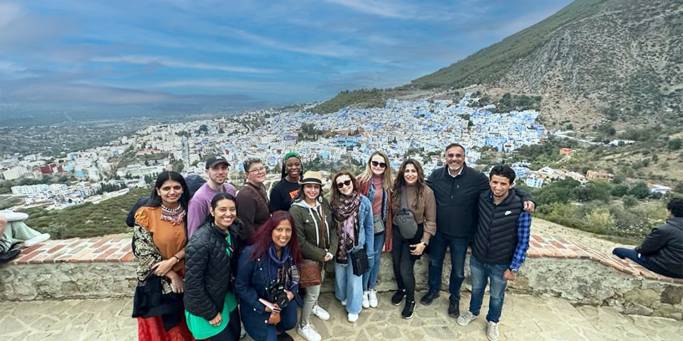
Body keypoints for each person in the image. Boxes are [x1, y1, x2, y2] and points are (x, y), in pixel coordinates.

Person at [422, 143, 534, 319]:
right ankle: (433, 290)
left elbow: (500, 186)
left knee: (458, 271)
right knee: (434, 263)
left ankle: (454, 298)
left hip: (462, 234)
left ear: (464, 157)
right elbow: (422, 189)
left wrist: (526, 196)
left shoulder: (476, 177)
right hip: (439, 232)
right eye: (450, 155)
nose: (454, 159)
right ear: (445, 157)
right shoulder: (436, 175)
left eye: (458, 155)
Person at [456, 165, 532, 341]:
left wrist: (513, 268)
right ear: (489, 182)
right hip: (478, 256)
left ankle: (493, 321)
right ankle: (473, 312)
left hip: (501, 261)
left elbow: (523, 241)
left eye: (503, 184)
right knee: (476, 289)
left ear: (511, 185)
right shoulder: (483, 197)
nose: (498, 187)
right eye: (495, 182)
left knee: (497, 295)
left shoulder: (521, 207)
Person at [131, 171, 193, 340]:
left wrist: (175, 259)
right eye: (166, 188)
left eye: (176, 187)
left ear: (183, 189)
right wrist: (172, 275)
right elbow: (143, 252)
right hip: (158, 280)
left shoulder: (191, 212)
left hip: (188, 275)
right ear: (158, 191)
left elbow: (197, 242)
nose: (172, 192)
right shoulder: (146, 214)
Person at [184, 193, 243, 340]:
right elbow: (192, 284)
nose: (228, 214)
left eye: (232, 209)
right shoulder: (200, 242)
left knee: (235, 334)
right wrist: (210, 312)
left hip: (225, 295)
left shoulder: (231, 231)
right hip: (207, 302)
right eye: (222, 209)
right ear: (212, 211)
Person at [235, 211, 302, 341]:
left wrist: (292, 293)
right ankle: (269, 331)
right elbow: (241, 286)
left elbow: (295, 275)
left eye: (288, 230)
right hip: (258, 304)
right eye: (279, 229)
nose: (284, 235)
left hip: (280, 300)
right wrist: (265, 308)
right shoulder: (252, 254)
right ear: (270, 230)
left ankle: (277, 330)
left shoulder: (290, 250)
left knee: (290, 321)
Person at [289, 171, 337, 341]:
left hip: (325, 256)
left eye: (316, 187)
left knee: (318, 285)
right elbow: (299, 241)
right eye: (309, 186)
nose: (312, 190)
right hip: (309, 259)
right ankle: (303, 325)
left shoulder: (322, 205)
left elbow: (332, 228)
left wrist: (331, 249)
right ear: (303, 188)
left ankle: (315, 307)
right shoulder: (296, 210)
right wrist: (322, 255)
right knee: (312, 293)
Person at [389, 159, 436, 319]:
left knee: (405, 268)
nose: (410, 174)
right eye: (407, 170)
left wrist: (424, 242)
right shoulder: (396, 189)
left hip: (416, 233)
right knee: (396, 263)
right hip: (397, 231)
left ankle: (410, 300)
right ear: (402, 172)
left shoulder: (426, 192)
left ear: (419, 173)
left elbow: (430, 220)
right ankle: (401, 289)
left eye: (413, 171)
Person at [329, 171, 374, 323]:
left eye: (347, 182)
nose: (344, 186)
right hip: (339, 247)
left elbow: (369, 227)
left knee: (355, 279)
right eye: (340, 184)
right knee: (340, 276)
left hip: (357, 246)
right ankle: (343, 297)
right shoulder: (334, 204)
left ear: (353, 182)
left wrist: (370, 250)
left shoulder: (364, 202)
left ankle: (354, 307)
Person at [356, 151, 393, 309]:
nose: (378, 166)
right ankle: (363, 290)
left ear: (386, 167)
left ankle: (371, 289)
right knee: (365, 257)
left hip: (380, 225)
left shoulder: (388, 184)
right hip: (363, 226)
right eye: (375, 163)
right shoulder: (360, 181)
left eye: (382, 164)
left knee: (375, 259)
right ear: (369, 163)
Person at [613, 197, 683, 279]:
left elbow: (644, 250)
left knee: (618, 250)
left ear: (670, 211)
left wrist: (637, 250)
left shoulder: (665, 229)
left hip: (665, 268)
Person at [187, 156, 237, 237]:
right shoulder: (199, 199)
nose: (220, 172)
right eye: (215, 169)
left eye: (223, 168)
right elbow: (193, 233)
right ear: (207, 172)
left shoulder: (230, 190)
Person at [236, 158, 270, 243]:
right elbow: (246, 226)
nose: (260, 172)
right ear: (247, 174)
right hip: (257, 243)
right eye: (255, 170)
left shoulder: (260, 187)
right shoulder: (246, 195)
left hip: (265, 237)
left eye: (261, 168)